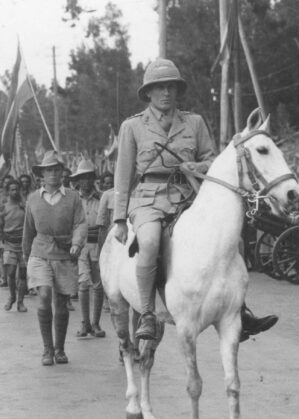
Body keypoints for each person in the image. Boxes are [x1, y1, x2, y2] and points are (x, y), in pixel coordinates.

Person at [112, 58, 277, 341]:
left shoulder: (194, 122)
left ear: (178, 91)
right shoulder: (133, 127)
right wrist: (119, 219)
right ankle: (148, 315)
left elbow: (211, 160)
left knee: (228, 240)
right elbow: (123, 175)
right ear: (148, 93)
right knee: (150, 242)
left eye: (171, 87)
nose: (166, 93)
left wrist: (197, 167)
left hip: (189, 196)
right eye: (159, 87)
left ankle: (240, 310)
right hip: (149, 199)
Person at [23, 151, 87, 366]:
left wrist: (77, 243)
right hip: (39, 253)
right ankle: (47, 349)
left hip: (64, 254)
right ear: (41, 174)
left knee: (60, 303)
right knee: (44, 296)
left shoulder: (73, 197)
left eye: (57, 169)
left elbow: (80, 223)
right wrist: (25, 258)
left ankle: (59, 349)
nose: (53, 174)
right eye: (48, 170)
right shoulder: (33, 199)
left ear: (63, 173)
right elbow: (28, 231)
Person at [69, 159, 106, 338]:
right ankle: (85, 323)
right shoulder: (73, 199)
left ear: (93, 179)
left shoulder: (102, 198)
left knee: (98, 286)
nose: (85, 181)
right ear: (78, 180)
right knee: (83, 284)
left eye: (89, 177)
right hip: (81, 245)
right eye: (82, 177)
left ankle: (96, 323)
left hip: (98, 244)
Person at [0, 180, 27, 312]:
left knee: (23, 275)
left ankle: (20, 302)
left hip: (23, 245)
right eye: (12, 189)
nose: (15, 192)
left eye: (16, 189)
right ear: (8, 192)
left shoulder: (24, 207)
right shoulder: (3, 208)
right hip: (9, 245)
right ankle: (12, 297)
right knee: (11, 273)